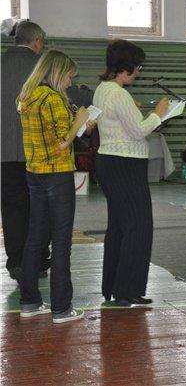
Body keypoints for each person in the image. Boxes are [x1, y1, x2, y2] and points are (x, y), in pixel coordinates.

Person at [93, 39, 169, 306]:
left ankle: (114, 287)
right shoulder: (119, 94)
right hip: (125, 164)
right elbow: (138, 131)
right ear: (127, 66)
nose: (139, 72)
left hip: (109, 161)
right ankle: (127, 290)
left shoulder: (102, 89)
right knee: (138, 227)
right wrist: (159, 114)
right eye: (138, 67)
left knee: (118, 227)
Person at [17, 50, 91, 323]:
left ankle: (30, 301)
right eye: (70, 76)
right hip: (57, 175)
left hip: (34, 173)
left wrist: (75, 123)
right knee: (61, 242)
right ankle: (62, 308)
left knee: (35, 239)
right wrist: (79, 122)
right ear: (58, 73)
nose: (71, 83)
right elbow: (62, 142)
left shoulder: (26, 96)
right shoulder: (54, 100)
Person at [1, 21, 51, 283]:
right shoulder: (43, 66)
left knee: (12, 209)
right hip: (38, 150)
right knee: (39, 207)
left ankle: (16, 263)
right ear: (37, 41)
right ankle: (40, 260)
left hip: (5, 152)